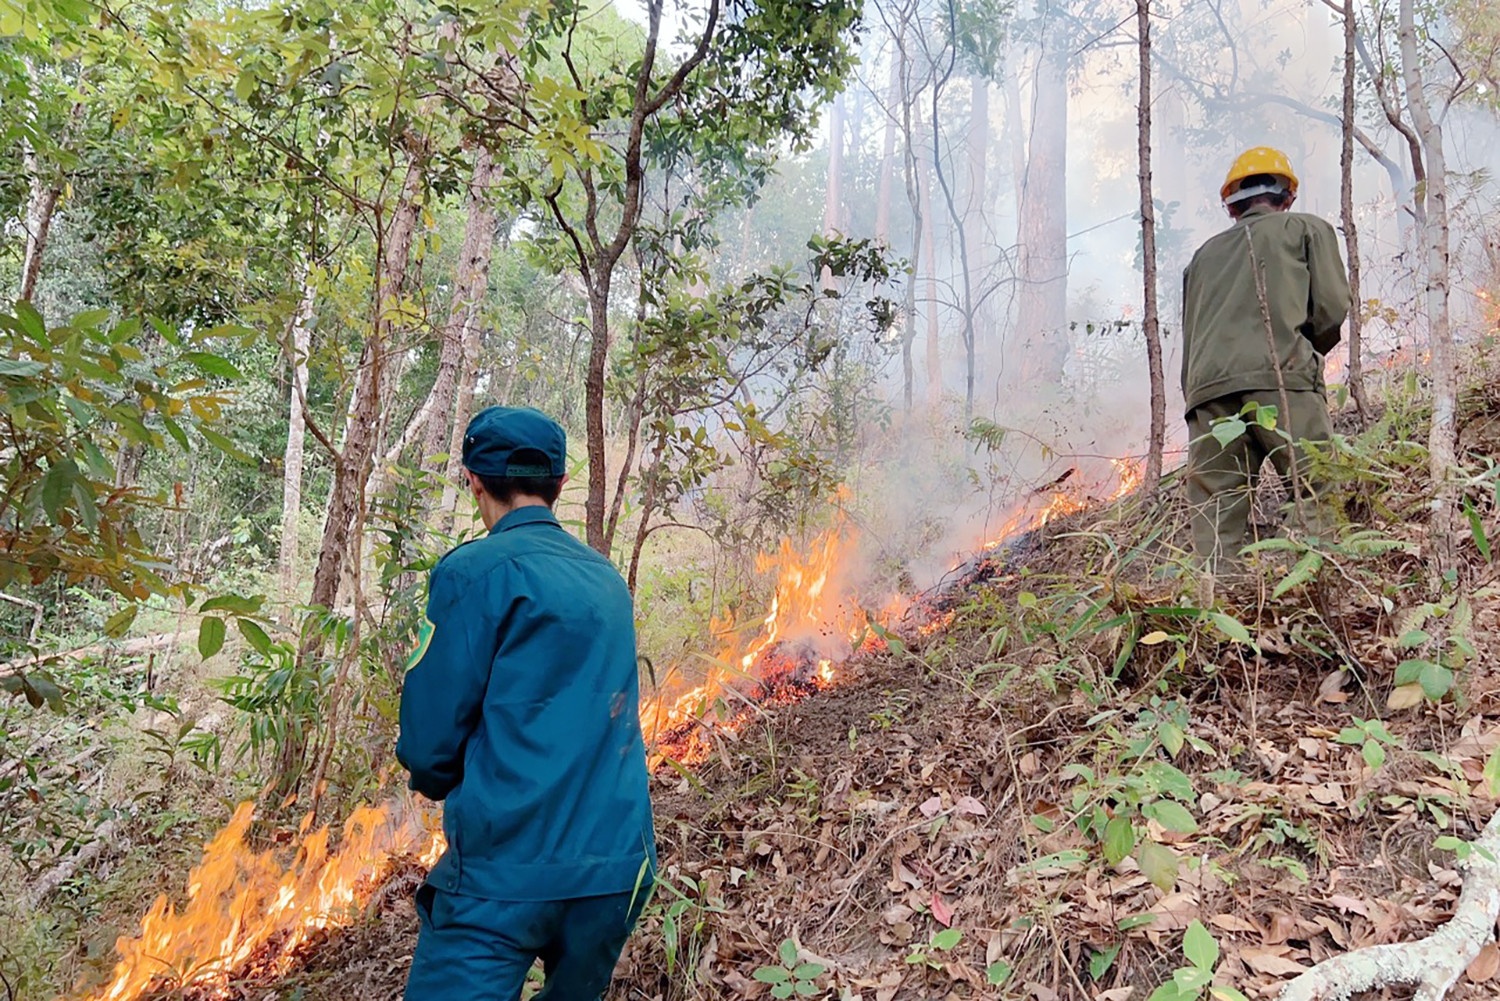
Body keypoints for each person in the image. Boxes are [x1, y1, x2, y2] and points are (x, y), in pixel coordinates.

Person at [397, 405, 656, 1001]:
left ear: (473, 480)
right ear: (560, 485)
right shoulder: (605, 579)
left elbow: (430, 742)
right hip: (616, 868)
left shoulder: (473, 573)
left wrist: (438, 780)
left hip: (505, 871)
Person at [1180, 146, 1352, 572]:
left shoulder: (1202, 257)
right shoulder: (1306, 228)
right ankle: (1317, 590)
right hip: (1282, 374)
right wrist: (1302, 351)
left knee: (1216, 515)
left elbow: (1193, 332)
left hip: (1208, 391)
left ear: (1232, 206)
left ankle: (1222, 618)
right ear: (1286, 195)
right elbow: (1330, 308)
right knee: (1315, 487)